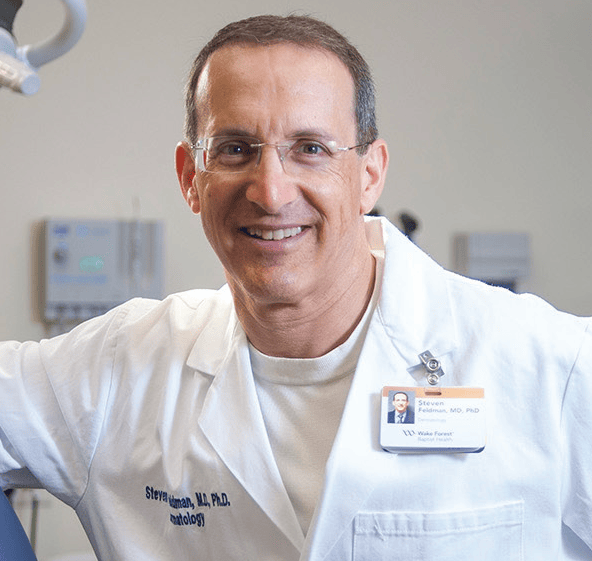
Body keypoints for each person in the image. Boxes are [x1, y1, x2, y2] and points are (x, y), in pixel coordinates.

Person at [1, 13, 591, 561]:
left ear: (369, 174)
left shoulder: (551, 368)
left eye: (310, 149)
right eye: (235, 150)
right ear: (190, 178)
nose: (271, 191)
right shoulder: (117, 371)